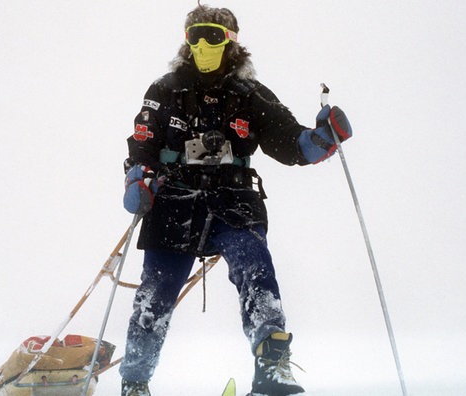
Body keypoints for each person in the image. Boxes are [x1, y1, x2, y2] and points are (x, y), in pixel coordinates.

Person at [119, 5, 352, 396]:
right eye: (195, 36)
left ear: (230, 40)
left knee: (255, 266)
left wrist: (322, 140)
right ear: (186, 40)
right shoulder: (164, 90)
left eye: (212, 35)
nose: (203, 44)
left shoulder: (250, 94)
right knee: (155, 294)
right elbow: (143, 142)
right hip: (174, 198)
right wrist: (138, 177)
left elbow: (290, 142)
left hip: (234, 199)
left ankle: (271, 368)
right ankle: (135, 382)